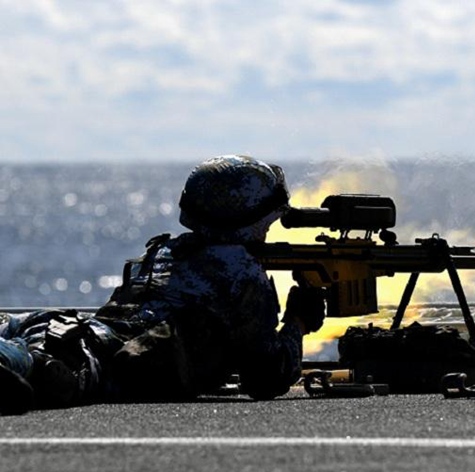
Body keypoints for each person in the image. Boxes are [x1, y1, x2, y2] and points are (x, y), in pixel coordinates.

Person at [0, 155, 325, 414]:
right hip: (86, 354)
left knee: (26, 344)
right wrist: (297, 322)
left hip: (68, 328)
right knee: (46, 372)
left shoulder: (167, 250)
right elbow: (267, 379)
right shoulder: (240, 272)